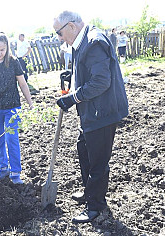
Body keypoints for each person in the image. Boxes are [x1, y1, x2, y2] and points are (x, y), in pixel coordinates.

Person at [53, 11, 128, 223]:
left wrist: (73, 98)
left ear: (70, 26)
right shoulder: (82, 41)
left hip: (102, 112)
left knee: (97, 160)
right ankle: (90, 192)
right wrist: (74, 76)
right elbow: (89, 72)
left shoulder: (94, 42)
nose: (59, 38)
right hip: (92, 111)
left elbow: (101, 82)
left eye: (59, 33)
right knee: (84, 149)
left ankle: (95, 206)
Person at [0, 32, 34, 184]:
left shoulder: (13, 62)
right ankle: (3, 168)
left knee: (12, 139)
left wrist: (29, 102)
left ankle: (16, 171)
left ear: (7, 48)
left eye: (2, 49)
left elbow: (23, 84)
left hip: (12, 107)